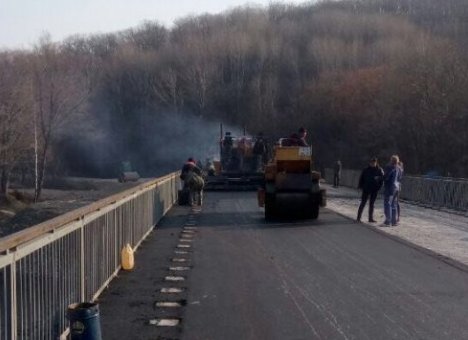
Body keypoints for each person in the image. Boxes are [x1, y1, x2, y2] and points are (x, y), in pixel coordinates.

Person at [356, 157, 384, 223]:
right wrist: (359, 186)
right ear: (370, 163)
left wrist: (379, 187)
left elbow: (382, 179)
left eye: (374, 162)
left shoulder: (379, 170)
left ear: (376, 163)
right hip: (366, 188)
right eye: (371, 163)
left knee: (372, 204)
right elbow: (361, 178)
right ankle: (358, 217)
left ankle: (370, 218)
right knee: (363, 203)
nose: (372, 164)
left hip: (374, 189)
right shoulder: (366, 169)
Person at [382, 155, 401, 227]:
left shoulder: (390, 167)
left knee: (387, 203)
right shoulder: (399, 168)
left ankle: (388, 221)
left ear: (391, 160)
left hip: (390, 187)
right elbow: (400, 178)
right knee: (394, 204)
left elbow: (387, 177)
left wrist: (381, 178)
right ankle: (394, 221)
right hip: (396, 187)